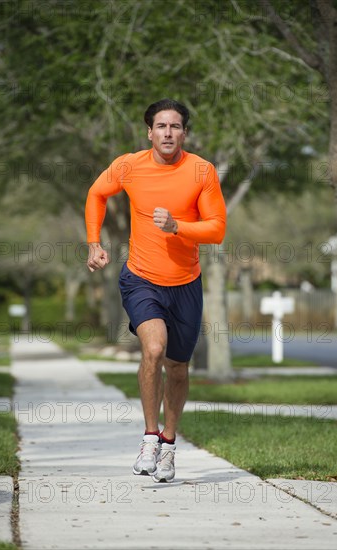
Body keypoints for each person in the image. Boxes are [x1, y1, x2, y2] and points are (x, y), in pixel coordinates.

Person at [85, 98, 226, 483]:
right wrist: (94, 243)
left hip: (185, 284)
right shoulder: (129, 165)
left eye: (175, 126)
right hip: (141, 277)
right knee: (154, 348)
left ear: (184, 133)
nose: (168, 133)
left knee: (178, 367)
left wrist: (178, 226)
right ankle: (149, 436)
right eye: (161, 126)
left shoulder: (201, 171)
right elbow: (97, 193)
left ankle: (169, 443)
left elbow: (216, 228)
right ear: (149, 132)